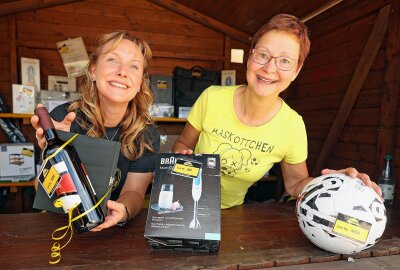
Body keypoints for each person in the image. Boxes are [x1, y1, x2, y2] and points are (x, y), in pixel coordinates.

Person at [172, 14, 382, 209]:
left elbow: (296, 184)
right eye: (263, 55)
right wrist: (182, 161)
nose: (269, 68)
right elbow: (182, 144)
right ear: (250, 57)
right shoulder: (212, 97)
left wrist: (336, 182)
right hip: (182, 204)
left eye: (284, 61)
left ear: (296, 71)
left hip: (230, 215)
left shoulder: (292, 126)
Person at [31, 31, 160, 230]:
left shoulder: (146, 133)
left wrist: (122, 211)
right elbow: (40, 188)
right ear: (92, 70)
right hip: (62, 228)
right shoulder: (64, 117)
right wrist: (54, 159)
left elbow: (134, 191)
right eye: (112, 60)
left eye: (133, 66)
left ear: (141, 82)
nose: (122, 71)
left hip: (116, 231)